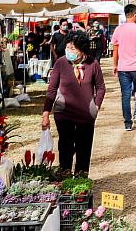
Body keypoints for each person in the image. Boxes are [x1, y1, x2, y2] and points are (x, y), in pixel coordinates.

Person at [42, 30, 106, 176]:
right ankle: (65, 175)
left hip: (86, 114)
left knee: (84, 148)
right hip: (64, 113)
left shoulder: (93, 64)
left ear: (82, 49)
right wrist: (46, 113)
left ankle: (81, 178)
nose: (68, 51)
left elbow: (101, 88)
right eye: (67, 47)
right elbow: (51, 89)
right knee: (65, 146)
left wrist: (95, 106)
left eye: (73, 48)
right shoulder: (61, 63)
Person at [111, 4, 136, 131]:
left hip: (123, 68)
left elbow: (115, 50)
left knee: (125, 95)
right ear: (134, 14)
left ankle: (127, 123)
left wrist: (115, 65)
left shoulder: (118, 30)